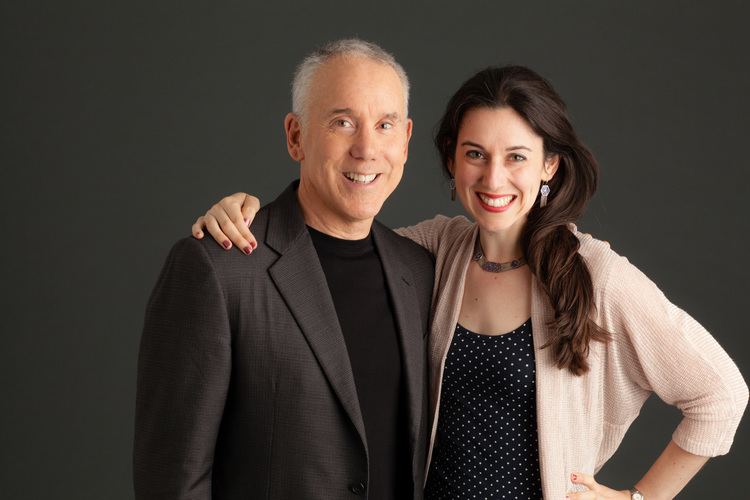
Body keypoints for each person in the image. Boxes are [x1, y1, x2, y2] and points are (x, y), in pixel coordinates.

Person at [193, 65, 748, 499]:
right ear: (453, 163)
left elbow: (721, 395)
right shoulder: (435, 249)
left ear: (549, 166)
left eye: (517, 158)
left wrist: (637, 499)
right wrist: (247, 215)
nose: (494, 178)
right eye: (475, 155)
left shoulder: (594, 275)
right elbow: (330, 241)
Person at [134, 39, 435, 500]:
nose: (366, 148)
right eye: (342, 122)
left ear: (407, 139)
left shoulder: (420, 271)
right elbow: (172, 479)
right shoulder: (218, 268)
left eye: (385, 125)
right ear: (295, 135)